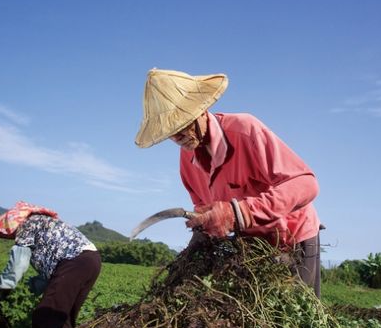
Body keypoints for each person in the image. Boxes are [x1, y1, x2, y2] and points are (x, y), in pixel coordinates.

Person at [135, 69, 321, 297]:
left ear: (201, 109)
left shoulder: (245, 131)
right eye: (169, 131)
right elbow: (206, 211)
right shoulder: (187, 160)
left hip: (292, 239)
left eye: (181, 123)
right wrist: (203, 231)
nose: (176, 137)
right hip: (250, 245)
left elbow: (306, 184)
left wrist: (239, 212)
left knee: (293, 318)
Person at [0, 201, 101, 328]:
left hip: (74, 262)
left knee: (45, 318)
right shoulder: (43, 223)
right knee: (62, 319)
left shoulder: (26, 226)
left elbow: (16, 267)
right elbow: (51, 278)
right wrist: (29, 288)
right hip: (92, 261)